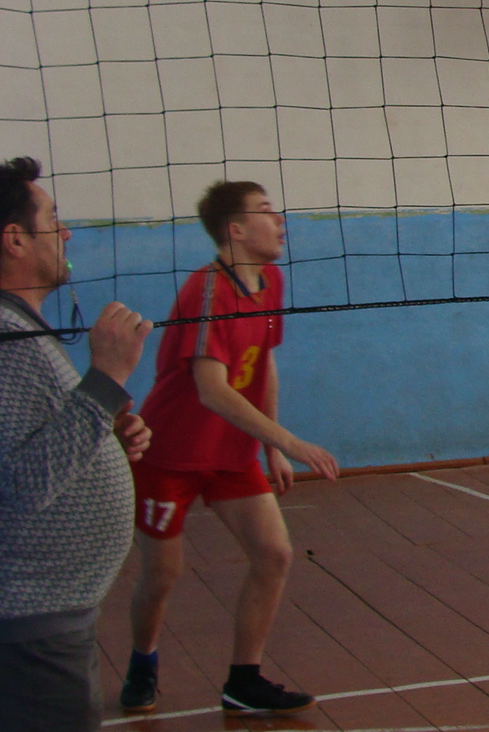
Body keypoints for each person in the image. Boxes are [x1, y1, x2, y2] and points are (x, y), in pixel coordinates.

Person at [121, 181, 339, 717]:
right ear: (235, 229)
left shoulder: (270, 281)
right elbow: (211, 390)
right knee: (163, 575)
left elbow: (263, 362)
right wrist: (290, 441)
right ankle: (142, 661)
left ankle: (244, 680)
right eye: (265, 211)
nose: (279, 219)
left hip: (233, 450)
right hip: (170, 453)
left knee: (275, 554)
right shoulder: (207, 292)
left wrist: (270, 447)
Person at [0, 157, 153, 732]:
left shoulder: (20, 328)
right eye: (53, 219)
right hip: (29, 630)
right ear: (15, 239)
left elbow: (31, 443)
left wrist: (104, 431)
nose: (66, 233)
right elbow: (20, 485)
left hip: (47, 618)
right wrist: (107, 380)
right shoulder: (6, 337)